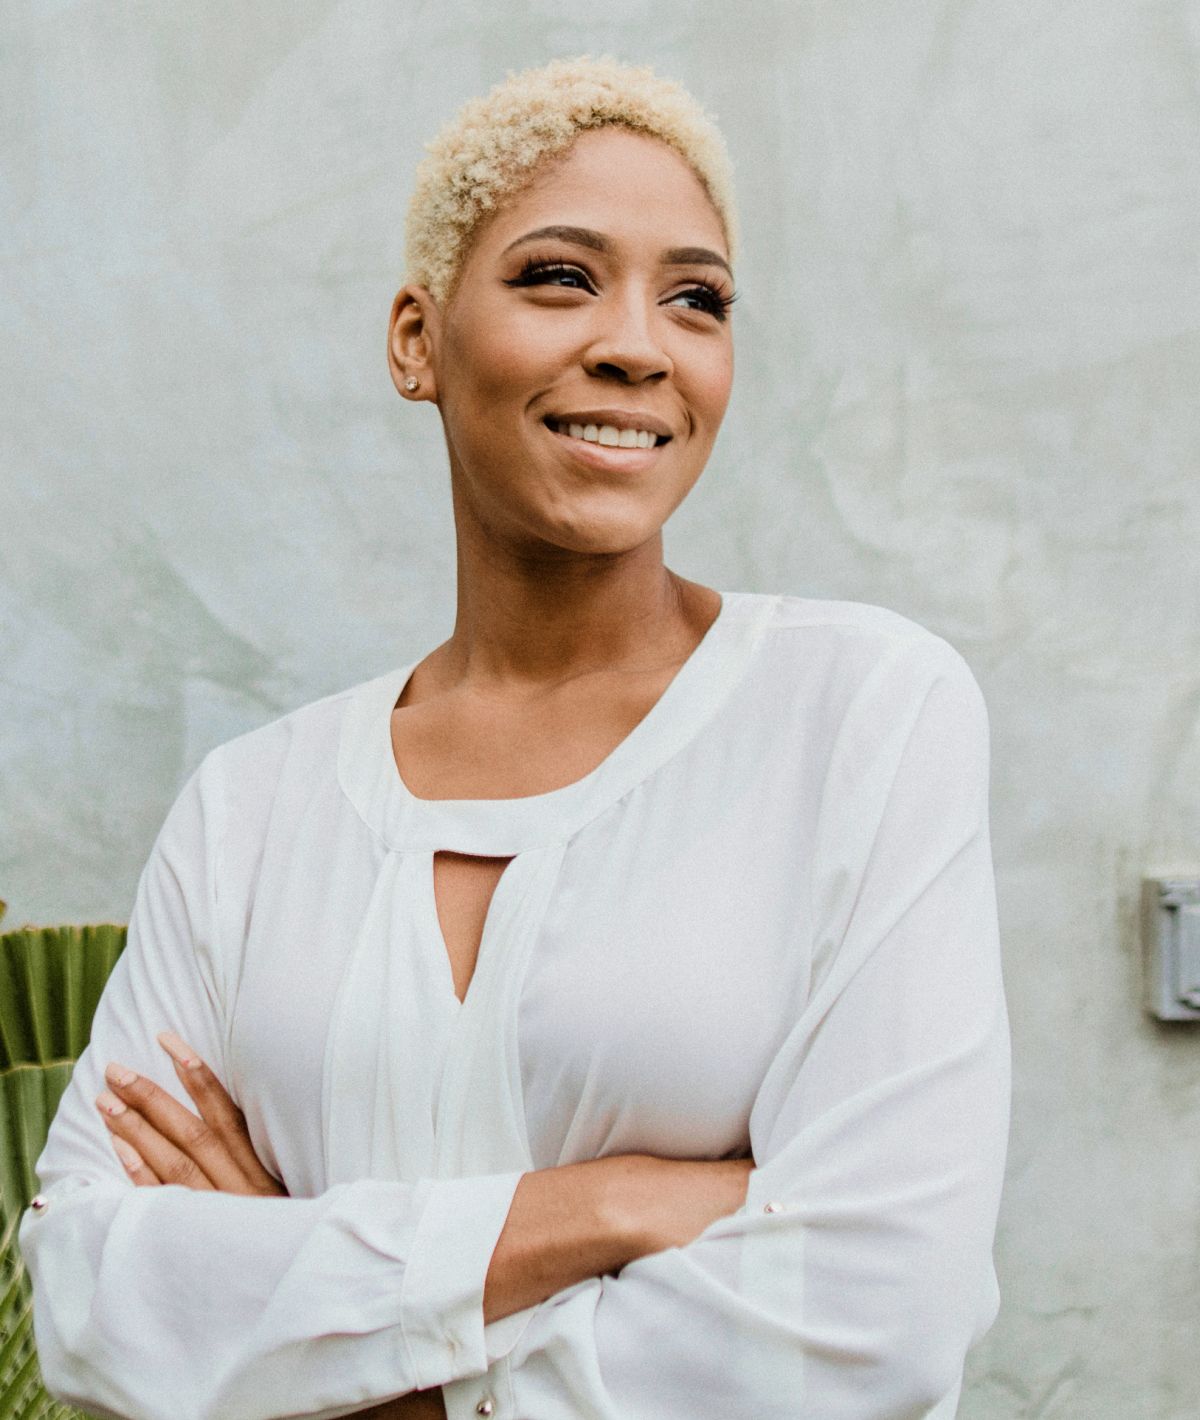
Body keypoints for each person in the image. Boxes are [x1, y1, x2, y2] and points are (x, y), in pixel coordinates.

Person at [20, 56, 1010, 1420]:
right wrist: (606, 1204)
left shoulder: (862, 715)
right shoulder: (252, 808)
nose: (638, 345)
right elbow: (87, 1292)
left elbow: (874, 1320)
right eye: (560, 277)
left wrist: (332, 1361)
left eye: (697, 299)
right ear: (416, 340)